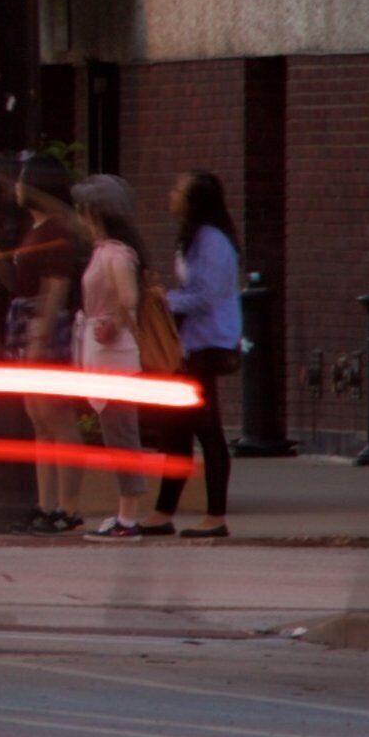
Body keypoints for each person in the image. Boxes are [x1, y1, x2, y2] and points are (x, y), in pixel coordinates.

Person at [0, 154, 86, 533]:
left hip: (43, 331)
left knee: (56, 417)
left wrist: (40, 339)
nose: (15, 189)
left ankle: (69, 506)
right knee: (39, 420)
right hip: (26, 326)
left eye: (22, 181)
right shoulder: (36, 229)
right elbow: (22, 285)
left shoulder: (55, 233)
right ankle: (46, 504)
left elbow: (56, 288)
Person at [73, 179, 172, 539]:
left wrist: (113, 323)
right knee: (116, 430)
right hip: (103, 351)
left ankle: (128, 516)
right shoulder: (106, 251)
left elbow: (128, 299)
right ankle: (124, 511)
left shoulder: (115, 254)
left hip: (113, 353)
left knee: (121, 432)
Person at [153, 170, 244, 537]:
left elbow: (206, 294)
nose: (171, 192)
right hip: (190, 344)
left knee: (207, 429)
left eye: (178, 188)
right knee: (176, 430)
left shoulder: (212, 242)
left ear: (195, 200)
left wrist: (165, 300)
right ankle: (162, 512)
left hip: (208, 343)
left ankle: (216, 516)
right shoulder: (193, 238)